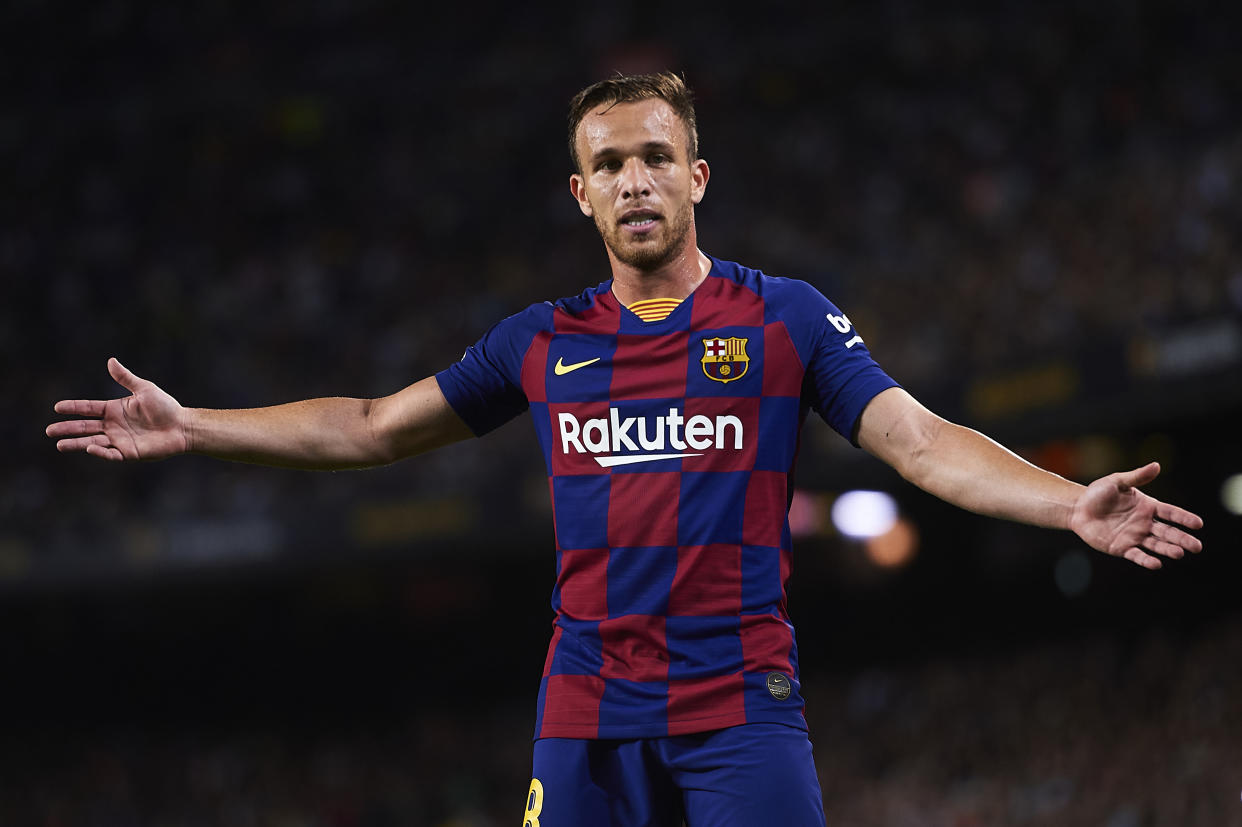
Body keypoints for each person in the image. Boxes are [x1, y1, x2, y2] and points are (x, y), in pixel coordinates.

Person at [47, 71, 1204, 826]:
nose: (634, 178)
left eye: (655, 154)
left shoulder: (784, 318)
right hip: (585, 709)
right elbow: (369, 426)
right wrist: (195, 424)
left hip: (739, 708)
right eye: (609, 165)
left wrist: (1065, 503)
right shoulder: (541, 343)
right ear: (581, 196)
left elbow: (919, 439)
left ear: (697, 176)